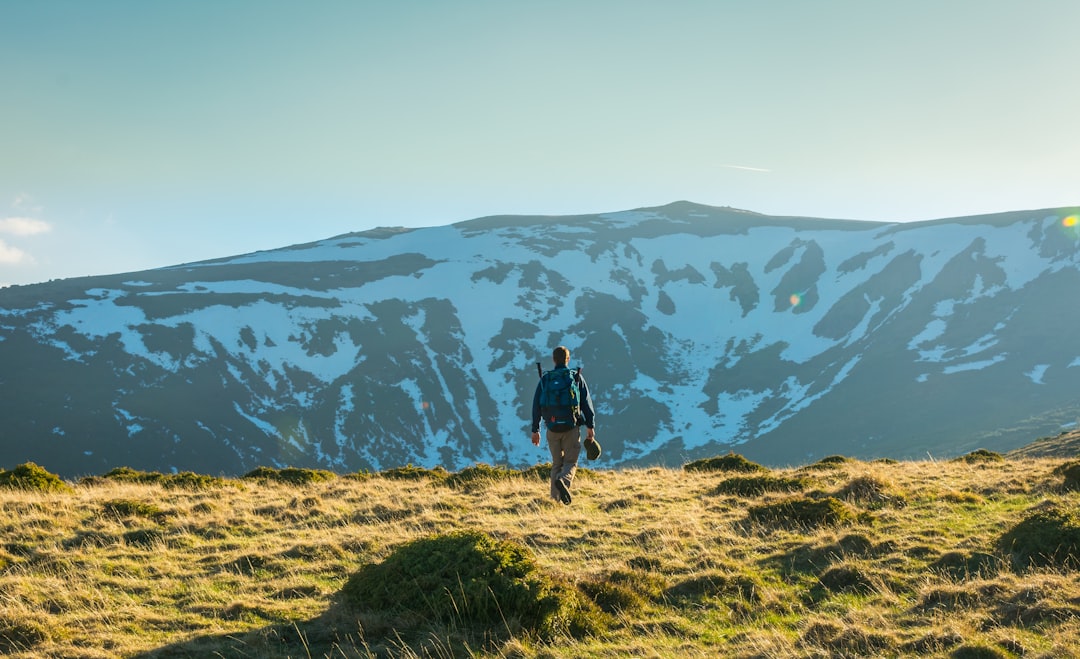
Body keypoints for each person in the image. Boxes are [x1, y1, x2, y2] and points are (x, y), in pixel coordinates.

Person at [531, 345, 596, 504]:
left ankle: (554, 501)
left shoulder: (546, 379)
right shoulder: (575, 377)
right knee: (570, 462)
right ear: (568, 359)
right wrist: (590, 426)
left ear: (554, 360)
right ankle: (564, 481)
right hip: (571, 428)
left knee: (556, 464)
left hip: (552, 428)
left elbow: (536, 405)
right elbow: (586, 404)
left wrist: (535, 430)